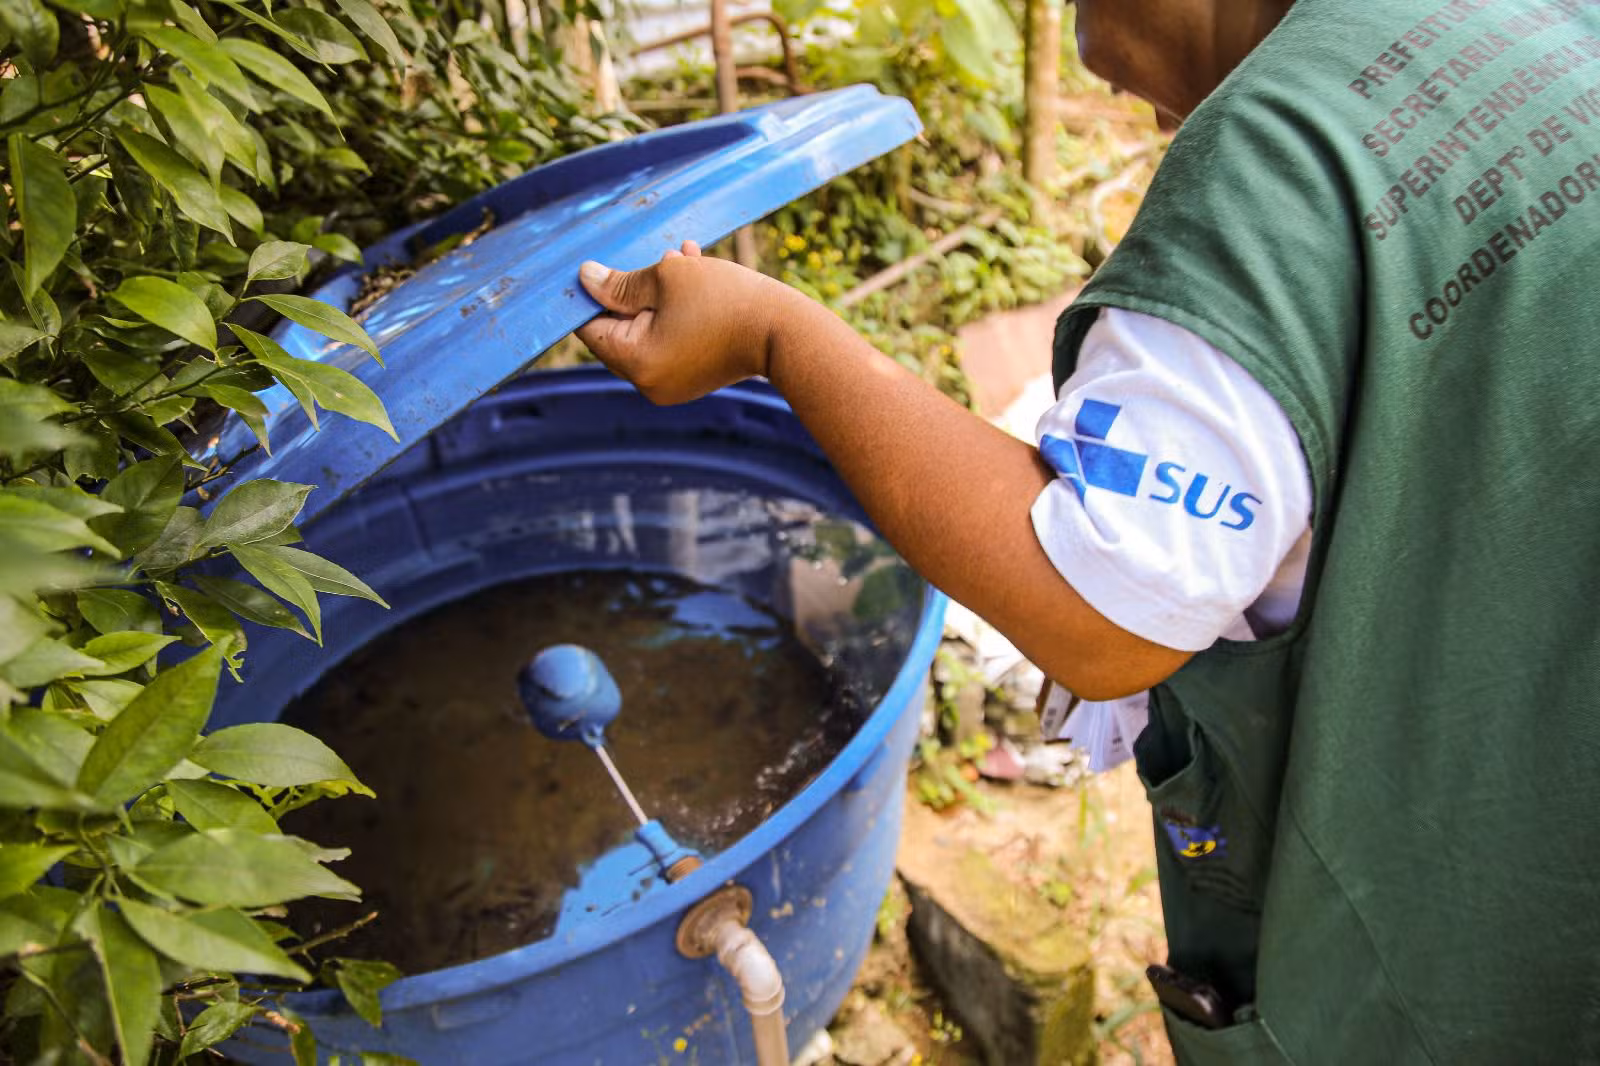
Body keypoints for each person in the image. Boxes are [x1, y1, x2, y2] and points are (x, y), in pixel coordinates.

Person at [574, 0, 1600, 1060]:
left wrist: (775, 334)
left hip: (1431, 944)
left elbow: (1100, 608)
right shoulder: (1539, 23)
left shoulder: (1274, 157)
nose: (1127, 98)